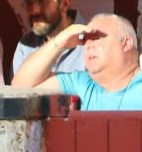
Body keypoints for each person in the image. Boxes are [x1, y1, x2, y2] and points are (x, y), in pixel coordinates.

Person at [13, 13, 142, 111]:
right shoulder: (82, 83)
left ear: (126, 44)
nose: (88, 45)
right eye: (84, 40)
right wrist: (60, 42)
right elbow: (21, 87)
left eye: (96, 38)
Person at [12, 0, 85, 78]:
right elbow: (15, 91)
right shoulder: (26, 45)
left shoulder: (93, 41)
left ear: (64, 3)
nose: (33, 10)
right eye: (28, 3)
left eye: (41, 1)